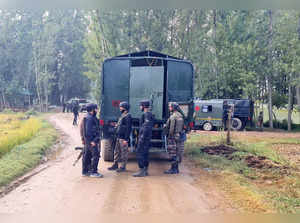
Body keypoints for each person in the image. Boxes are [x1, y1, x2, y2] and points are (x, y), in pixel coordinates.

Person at [108, 101, 132, 172]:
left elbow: (128, 128)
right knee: (116, 151)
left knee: (124, 152)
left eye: (121, 107)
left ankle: (123, 167)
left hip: (123, 138)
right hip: (118, 137)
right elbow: (121, 125)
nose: (120, 108)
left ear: (125, 108)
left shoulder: (128, 116)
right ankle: (115, 164)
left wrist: (126, 139)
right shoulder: (123, 115)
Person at [133, 100, 154, 177]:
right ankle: (145, 170)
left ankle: (142, 170)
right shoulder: (147, 114)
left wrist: (141, 138)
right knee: (145, 153)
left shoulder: (147, 115)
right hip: (145, 138)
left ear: (144, 106)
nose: (140, 107)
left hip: (144, 138)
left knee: (140, 153)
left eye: (140, 105)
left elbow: (146, 128)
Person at [81, 103, 103, 178]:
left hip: (89, 141)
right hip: (91, 141)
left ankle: (85, 171)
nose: (97, 110)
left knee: (87, 155)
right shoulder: (90, 118)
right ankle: (94, 172)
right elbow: (88, 131)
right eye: (96, 109)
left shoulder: (89, 117)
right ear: (92, 110)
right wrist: (92, 141)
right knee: (95, 155)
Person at [164, 102, 185, 174]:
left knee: (172, 153)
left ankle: (173, 169)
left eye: (170, 107)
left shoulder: (173, 116)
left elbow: (171, 129)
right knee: (177, 152)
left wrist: (169, 136)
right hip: (179, 135)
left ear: (173, 108)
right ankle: (176, 169)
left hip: (173, 136)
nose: (169, 108)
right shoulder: (180, 115)